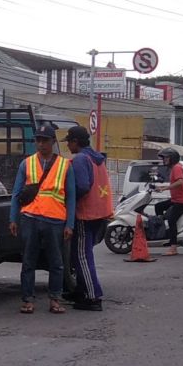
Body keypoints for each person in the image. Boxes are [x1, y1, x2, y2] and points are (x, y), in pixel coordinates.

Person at [9, 124, 75, 314]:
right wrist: (13, 218)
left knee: (56, 262)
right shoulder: (26, 164)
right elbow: (16, 193)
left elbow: (71, 197)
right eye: (38, 140)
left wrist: (69, 224)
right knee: (28, 261)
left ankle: (55, 299)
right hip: (30, 218)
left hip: (55, 220)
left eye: (45, 140)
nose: (41, 144)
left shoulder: (65, 165)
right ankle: (27, 300)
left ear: (53, 142)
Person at [63, 126, 113, 311]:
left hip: (86, 213)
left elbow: (82, 186)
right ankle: (82, 290)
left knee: (82, 256)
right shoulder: (97, 158)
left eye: (69, 141)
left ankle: (92, 297)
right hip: (101, 212)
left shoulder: (80, 159)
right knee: (82, 255)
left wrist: (67, 198)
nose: (68, 145)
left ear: (75, 142)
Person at [154, 148, 183, 256]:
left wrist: (165, 188)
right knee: (158, 206)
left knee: (171, 220)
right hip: (176, 200)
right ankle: (163, 232)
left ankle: (173, 247)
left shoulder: (177, 168)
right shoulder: (174, 168)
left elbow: (180, 182)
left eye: (166, 158)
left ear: (172, 158)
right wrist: (161, 187)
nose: (164, 160)